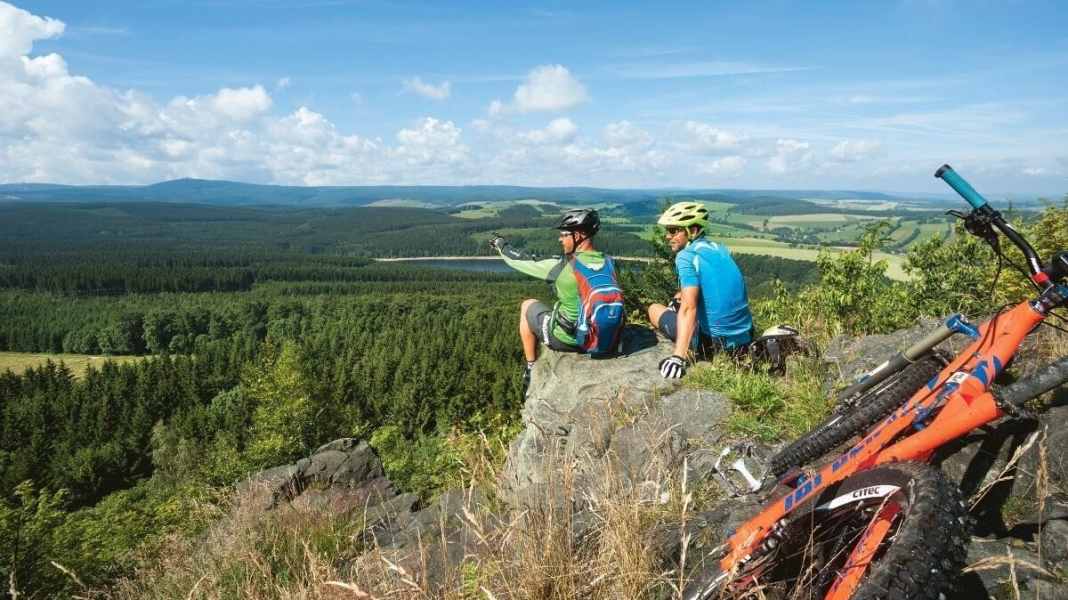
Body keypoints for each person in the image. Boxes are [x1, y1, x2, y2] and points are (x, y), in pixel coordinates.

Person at [489, 208, 615, 389]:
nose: (560, 239)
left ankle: (531, 367)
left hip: (569, 339)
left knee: (527, 305)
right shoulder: (609, 262)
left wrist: (501, 245)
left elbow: (520, 260)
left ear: (578, 235)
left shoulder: (562, 266)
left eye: (564, 235)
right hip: (604, 337)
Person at [647, 202, 754, 379]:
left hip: (713, 343)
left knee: (653, 309)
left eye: (673, 230)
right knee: (678, 297)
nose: (667, 236)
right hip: (745, 337)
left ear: (693, 230)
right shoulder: (720, 249)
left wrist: (678, 357)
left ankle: (687, 344)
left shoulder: (686, 256)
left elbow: (689, 308)